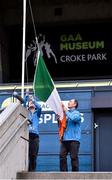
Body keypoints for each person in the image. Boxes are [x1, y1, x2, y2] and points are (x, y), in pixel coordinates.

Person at [59, 99, 81, 172]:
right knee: (62, 157)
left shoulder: (77, 113)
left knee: (73, 158)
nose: (68, 102)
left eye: (70, 101)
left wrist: (66, 111)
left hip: (74, 140)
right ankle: (64, 175)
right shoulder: (66, 114)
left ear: (74, 104)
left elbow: (74, 118)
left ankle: (75, 176)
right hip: (65, 139)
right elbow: (61, 126)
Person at [24, 91, 42, 171]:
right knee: (26, 155)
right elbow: (23, 105)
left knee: (33, 155)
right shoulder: (25, 112)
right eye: (30, 102)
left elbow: (40, 107)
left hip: (35, 137)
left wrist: (33, 99)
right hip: (26, 135)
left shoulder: (37, 113)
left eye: (32, 103)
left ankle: (32, 172)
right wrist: (27, 96)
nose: (31, 103)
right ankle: (27, 170)